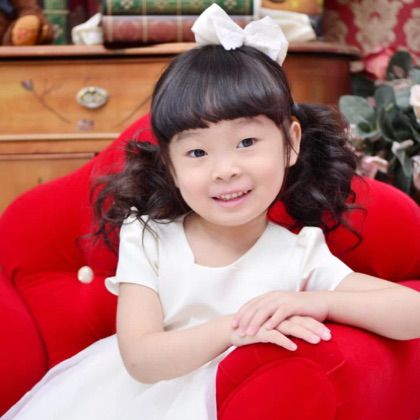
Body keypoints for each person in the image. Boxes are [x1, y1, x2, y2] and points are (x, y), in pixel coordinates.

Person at [4, 4, 420, 419]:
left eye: (247, 143)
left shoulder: (299, 255)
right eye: (198, 152)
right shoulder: (149, 237)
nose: (225, 170)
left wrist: (320, 303)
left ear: (291, 142)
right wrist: (238, 328)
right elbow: (141, 358)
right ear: (170, 165)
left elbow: (412, 314)